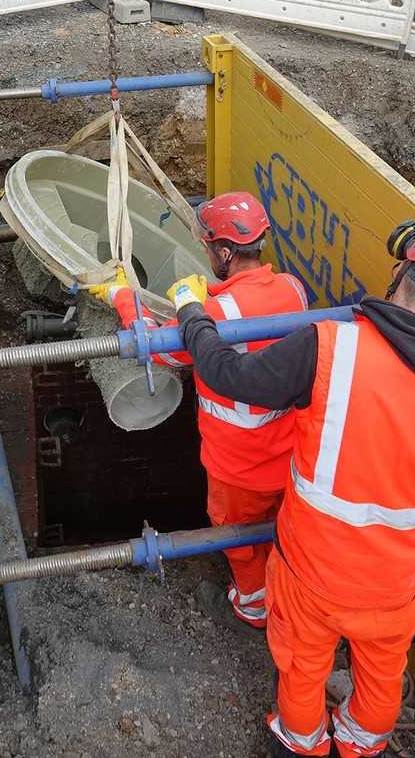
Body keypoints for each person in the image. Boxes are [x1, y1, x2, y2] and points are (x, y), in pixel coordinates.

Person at [167, 218, 415, 757]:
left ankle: (301, 743)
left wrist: (192, 315)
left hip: (314, 570)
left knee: (302, 666)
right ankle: (360, 745)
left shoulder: (329, 347)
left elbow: (230, 376)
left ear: (400, 272)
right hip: (395, 582)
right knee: (380, 675)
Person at [90, 192, 308, 632]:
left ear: (224, 253)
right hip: (291, 456)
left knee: (237, 536)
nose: (206, 254)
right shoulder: (293, 289)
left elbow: (159, 350)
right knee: (283, 531)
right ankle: (289, 600)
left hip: (238, 466)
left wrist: (122, 296)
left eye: (209, 247)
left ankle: (253, 606)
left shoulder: (215, 313)